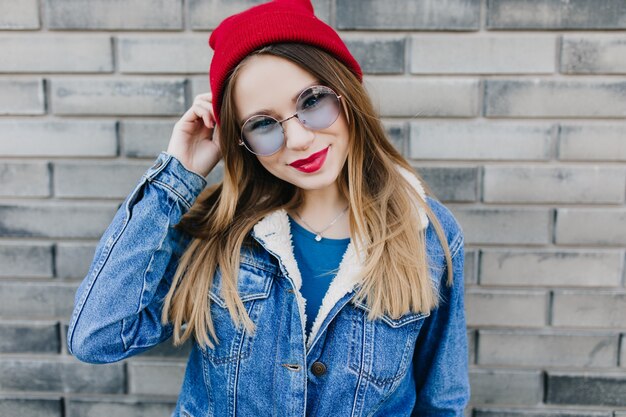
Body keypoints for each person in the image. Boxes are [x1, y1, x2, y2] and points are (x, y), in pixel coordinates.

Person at [67, 0, 470, 415]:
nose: (297, 139)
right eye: (263, 124)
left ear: (347, 93)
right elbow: (97, 337)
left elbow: (441, 402)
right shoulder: (216, 232)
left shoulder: (429, 235)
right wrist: (177, 179)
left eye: (312, 101)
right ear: (240, 142)